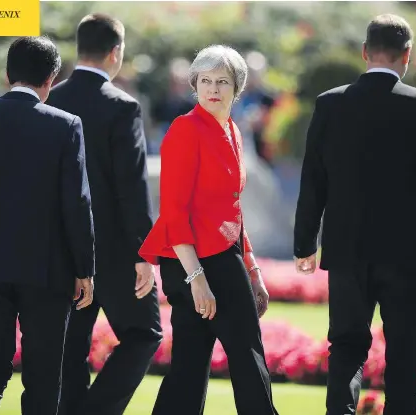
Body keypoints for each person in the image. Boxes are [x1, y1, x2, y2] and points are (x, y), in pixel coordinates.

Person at [293, 14, 416, 415]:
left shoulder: (330, 103)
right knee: (405, 358)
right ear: (407, 55)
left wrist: (304, 243)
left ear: (364, 52)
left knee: (346, 350)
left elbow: (313, 180)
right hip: (408, 255)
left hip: (346, 251)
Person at [0, 36, 95, 415]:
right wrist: (84, 268)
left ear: (6, 74)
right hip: (48, 269)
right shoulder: (66, 125)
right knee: (43, 375)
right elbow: (78, 202)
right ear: (51, 78)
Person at [139, 44, 278, 415]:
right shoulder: (185, 130)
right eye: (205, 81)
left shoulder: (232, 129)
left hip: (219, 254)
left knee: (188, 363)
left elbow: (232, 209)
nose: (213, 89)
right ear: (194, 85)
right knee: (248, 351)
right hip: (195, 260)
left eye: (222, 82)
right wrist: (197, 277)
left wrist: (253, 268)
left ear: (238, 88)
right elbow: (172, 211)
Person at [46, 14, 162, 415]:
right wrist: (145, 252)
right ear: (116, 52)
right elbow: (132, 187)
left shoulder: (51, 100)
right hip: (113, 252)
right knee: (145, 333)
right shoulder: (122, 106)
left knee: (70, 349)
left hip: (59, 248)